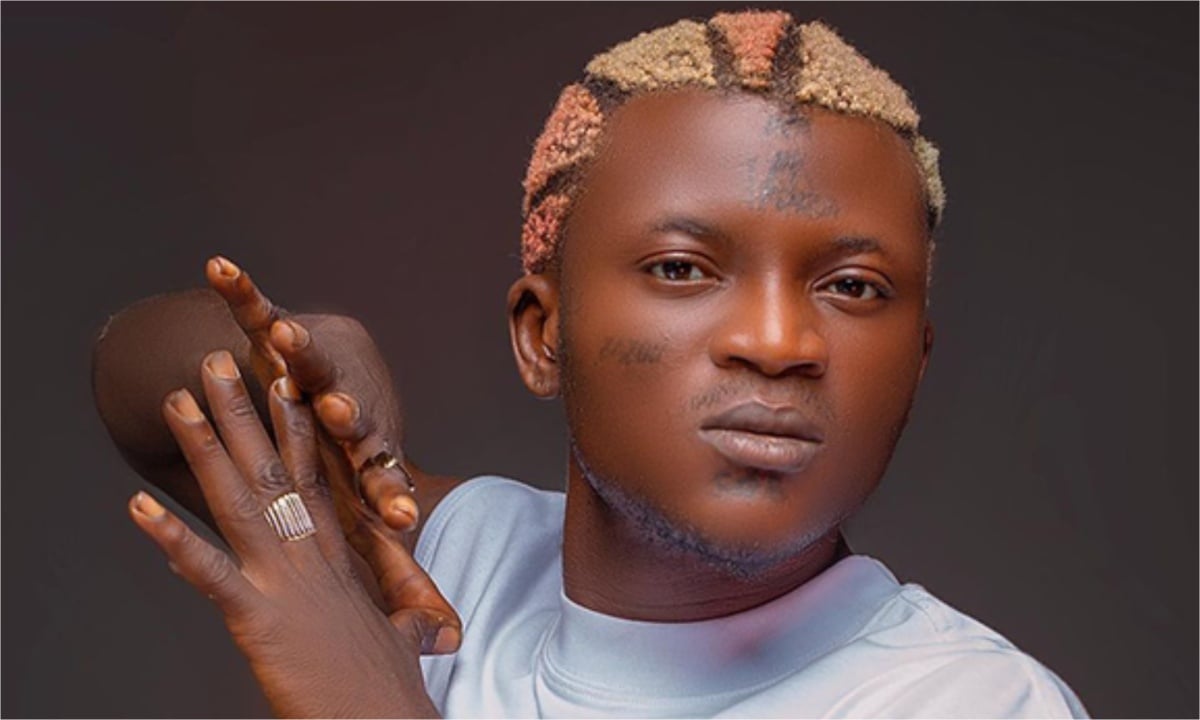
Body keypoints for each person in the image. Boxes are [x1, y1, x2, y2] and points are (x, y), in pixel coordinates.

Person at [93, 10, 1089, 718]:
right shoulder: (461, 567)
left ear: (916, 363)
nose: (780, 342)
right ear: (542, 335)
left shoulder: (970, 700)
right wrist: (296, 352)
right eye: (682, 268)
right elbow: (134, 383)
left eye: (854, 287)